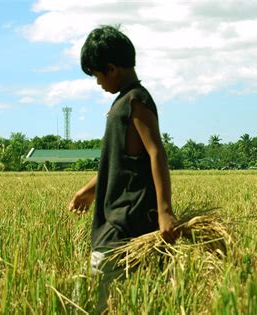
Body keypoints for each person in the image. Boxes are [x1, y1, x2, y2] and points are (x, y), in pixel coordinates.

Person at [68, 25, 178, 313]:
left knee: (93, 303)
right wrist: (89, 191)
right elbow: (120, 162)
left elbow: (156, 153)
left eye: (96, 75)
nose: (97, 83)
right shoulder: (122, 103)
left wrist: (165, 211)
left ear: (112, 68)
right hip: (116, 224)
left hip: (124, 225)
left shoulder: (136, 101)